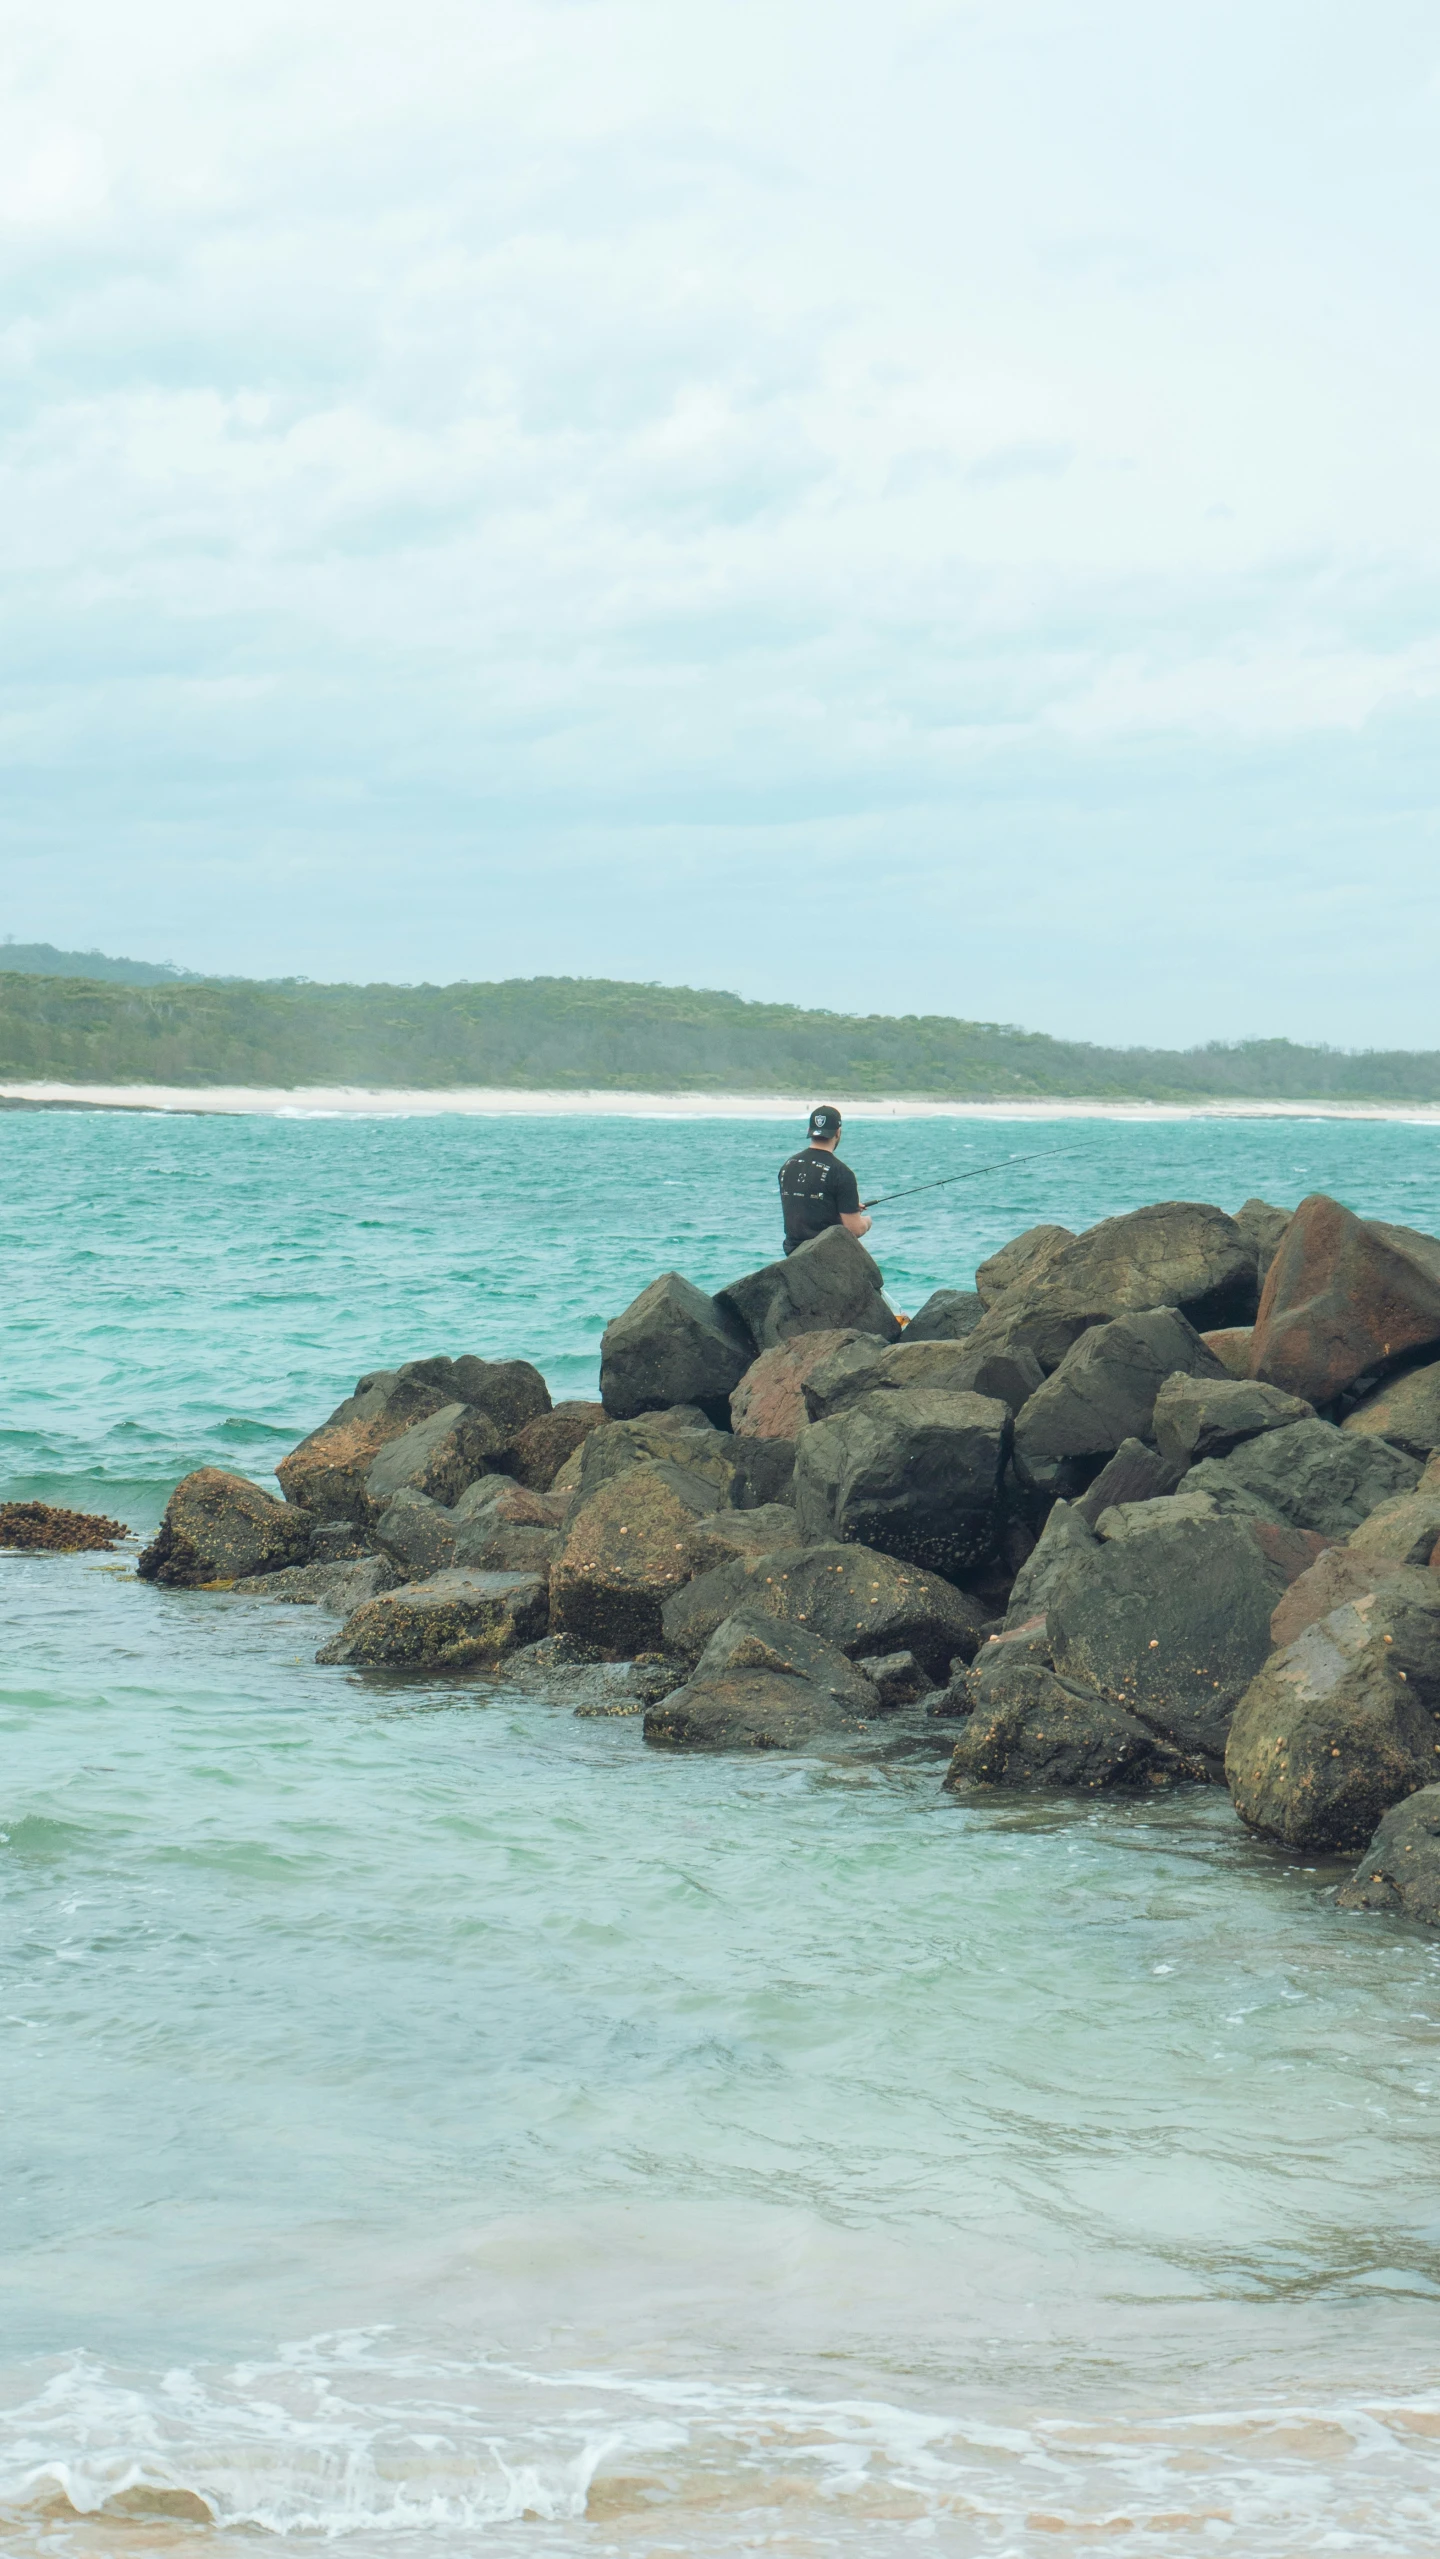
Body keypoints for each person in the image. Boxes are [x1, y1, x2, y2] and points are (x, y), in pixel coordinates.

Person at [778, 1106, 872, 1255]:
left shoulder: (787, 1166)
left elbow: (806, 1204)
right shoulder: (841, 1172)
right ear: (838, 1132)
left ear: (809, 1130)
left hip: (793, 1251)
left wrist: (844, 1207)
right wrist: (867, 1221)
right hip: (825, 1254)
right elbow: (855, 1229)